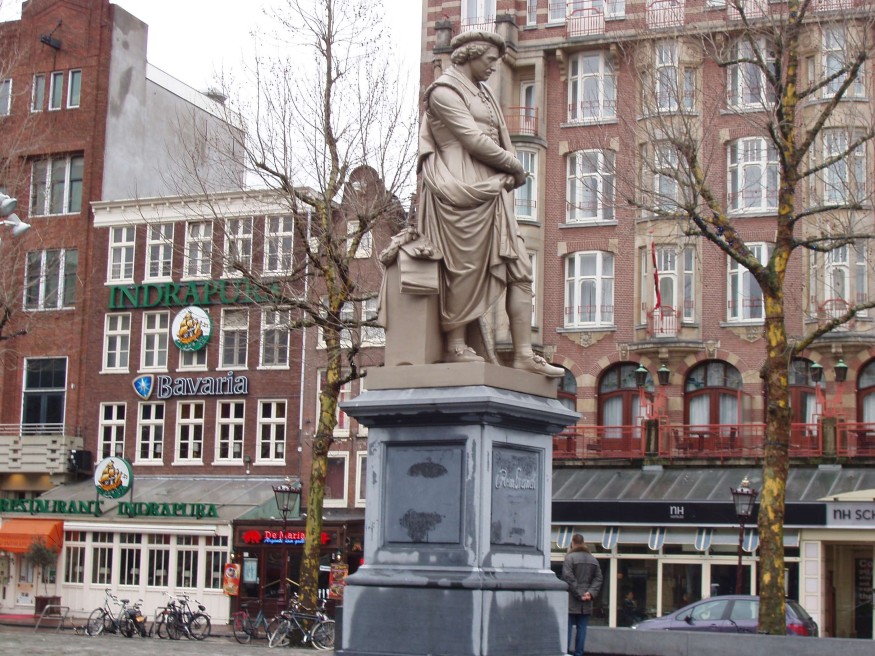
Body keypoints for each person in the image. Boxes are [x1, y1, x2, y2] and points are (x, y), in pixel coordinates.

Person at [415, 30, 562, 377]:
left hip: (493, 191)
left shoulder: (483, 92)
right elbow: (472, 138)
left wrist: (507, 170)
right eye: (490, 60)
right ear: (470, 54)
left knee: (520, 267)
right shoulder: (443, 92)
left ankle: (523, 353)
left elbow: (496, 136)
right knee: (463, 266)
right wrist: (513, 165)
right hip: (461, 185)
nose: (494, 67)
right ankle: (455, 345)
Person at [561, 533, 603, 656]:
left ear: (573, 543)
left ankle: (565, 652)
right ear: (583, 543)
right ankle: (579, 653)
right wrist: (590, 593)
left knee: (567, 628)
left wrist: (579, 593)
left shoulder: (570, 558)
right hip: (587, 601)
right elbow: (598, 578)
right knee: (582, 628)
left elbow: (568, 577)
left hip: (571, 600)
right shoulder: (593, 559)